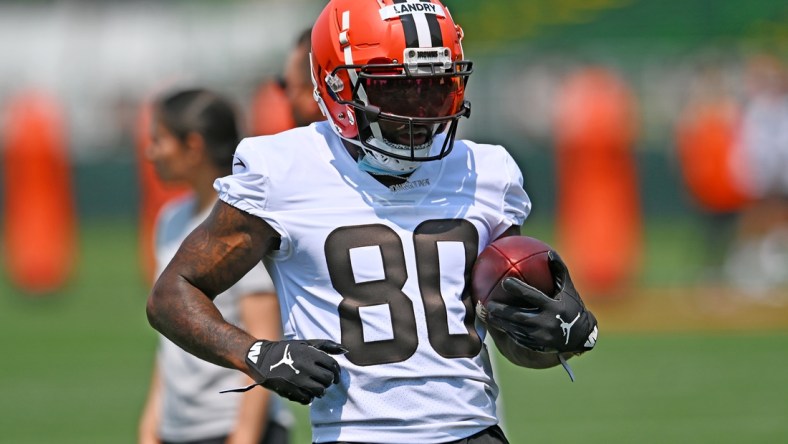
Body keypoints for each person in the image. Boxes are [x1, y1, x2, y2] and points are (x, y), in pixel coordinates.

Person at [146, 1, 598, 443]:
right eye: (395, 89)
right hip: (359, 434)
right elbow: (172, 293)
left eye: (435, 87)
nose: (419, 111)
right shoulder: (282, 170)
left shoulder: (486, 172)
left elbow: (511, 342)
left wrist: (564, 333)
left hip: (473, 431)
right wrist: (255, 353)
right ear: (336, 86)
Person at [138, 88, 292, 444]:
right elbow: (172, 336)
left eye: (159, 140)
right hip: (178, 430)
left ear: (193, 145)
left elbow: (263, 343)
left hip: (232, 429)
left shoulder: (244, 226)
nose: (149, 153)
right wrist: (151, 428)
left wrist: (244, 436)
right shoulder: (170, 220)